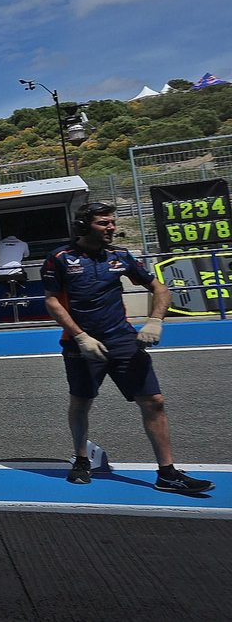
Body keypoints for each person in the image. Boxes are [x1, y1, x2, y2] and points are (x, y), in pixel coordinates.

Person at [41, 202, 213, 493]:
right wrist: (80, 336)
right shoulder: (59, 258)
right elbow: (52, 301)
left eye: (112, 222)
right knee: (81, 402)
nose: (111, 227)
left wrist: (155, 321)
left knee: (154, 401)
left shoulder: (120, 256)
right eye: (103, 223)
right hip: (80, 344)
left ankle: (168, 474)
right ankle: (82, 461)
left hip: (122, 339)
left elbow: (160, 288)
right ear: (83, 226)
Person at [0, 227, 30, 305]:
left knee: (6, 280)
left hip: (1, 275)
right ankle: (18, 295)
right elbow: (26, 255)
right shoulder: (23, 244)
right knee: (22, 278)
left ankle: (12, 294)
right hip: (17, 274)